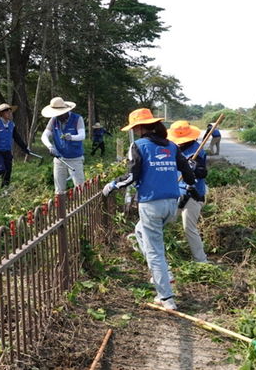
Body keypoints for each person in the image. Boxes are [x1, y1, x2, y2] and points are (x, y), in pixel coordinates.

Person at [102, 109, 196, 310]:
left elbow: (131, 176)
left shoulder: (138, 145)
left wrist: (113, 185)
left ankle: (166, 298)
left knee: (154, 252)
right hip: (172, 204)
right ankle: (163, 273)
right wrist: (189, 185)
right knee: (138, 231)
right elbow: (188, 173)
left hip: (151, 203)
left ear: (138, 128)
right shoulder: (171, 146)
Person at [168, 120, 210, 263]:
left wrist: (194, 168)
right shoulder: (174, 148)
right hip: (176, 191)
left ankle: (201, 260)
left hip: (193, 194)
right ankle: (166, 254)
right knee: (166, 222)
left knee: (189, 228)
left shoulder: (197, 151)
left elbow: (202, 173)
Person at [40, 96, 86, 193]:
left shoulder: (77, 119)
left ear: (66, 111)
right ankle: (60, 207)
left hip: (75, 158)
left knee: (80, 187)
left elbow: (82, 135)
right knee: (59, 189)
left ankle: (82, 204)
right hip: (60, 159)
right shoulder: (54, 120)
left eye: (60, 114)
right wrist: (50, 146)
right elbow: (44, 135)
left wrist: (72, 137)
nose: (58, 116)